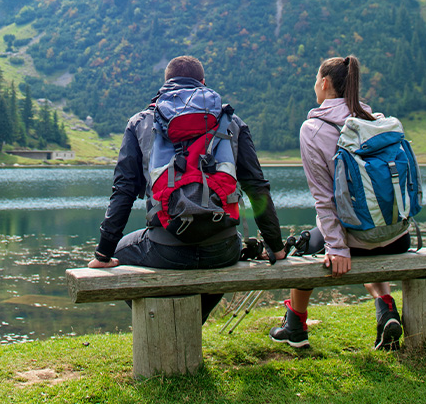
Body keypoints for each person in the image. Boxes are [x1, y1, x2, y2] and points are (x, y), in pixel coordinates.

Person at [88, 55, 287, 322]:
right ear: (203, 84)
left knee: (120, 254)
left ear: (166, 84)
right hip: (223, 248)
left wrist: (103, 252)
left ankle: (165, 323)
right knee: (222, 255)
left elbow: (123, 191)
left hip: (165, 247)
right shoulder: (231, 122)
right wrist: (276, 246)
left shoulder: (141, 122)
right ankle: (190, 322)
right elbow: (257, 188)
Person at [269, 55, 409, 350]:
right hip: (398, 237)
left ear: (324, 83)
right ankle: (385, 307)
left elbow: (323, 198)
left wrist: (337, 248)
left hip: (356, 242)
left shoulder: (313, 129)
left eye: (315, 79)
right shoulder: (377, 121)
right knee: (362, 238)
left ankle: (295, 325)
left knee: (306, 249)